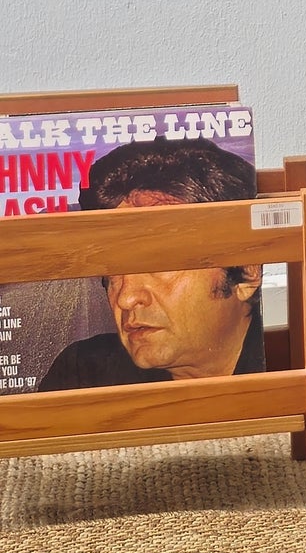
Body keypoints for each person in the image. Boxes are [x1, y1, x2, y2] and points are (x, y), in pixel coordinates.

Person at [37, 139, 263, 391]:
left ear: (246, 270)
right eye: (112, 271)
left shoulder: (297, 373)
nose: (126, 298)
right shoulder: (84, 374)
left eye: (158, 261)